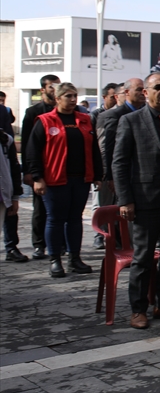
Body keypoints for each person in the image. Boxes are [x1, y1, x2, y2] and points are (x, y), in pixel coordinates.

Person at [112, 73, 160, 328]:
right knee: (143, 257)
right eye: (159, 87)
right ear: (146, 92)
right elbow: (120, 163)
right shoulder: (130, 121)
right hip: (144, 200)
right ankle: (138, 309)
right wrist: (125, 200)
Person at [24, 82, 102, 278]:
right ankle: (55, 260)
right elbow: (33, 152)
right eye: (68, 96)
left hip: (80, 179)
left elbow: (94, 150)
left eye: (74, 95)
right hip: (54, 180)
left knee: (75, 220)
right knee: (55, 220)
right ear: (57, 99)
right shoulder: (44, 121)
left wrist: (98, 175)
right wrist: (37, 178)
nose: (73, 99)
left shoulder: (85, 119)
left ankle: (74, 258)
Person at [96, 78, 145, 249]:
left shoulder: (145, 113)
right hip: (116, 174)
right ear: (127, 93)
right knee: (114, 210)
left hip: (138, 174)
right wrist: (109, 177)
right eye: (139, 89)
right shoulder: (112, 115)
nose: (142, 93)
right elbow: (107, 148)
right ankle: (114, 243)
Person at [20, 74, 60, 260]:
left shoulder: (64, 112)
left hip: (60, 170)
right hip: (41, 170)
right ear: (43, 89)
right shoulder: (33, 112)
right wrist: (29, 172)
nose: (55, 90)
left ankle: (61, 245)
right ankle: (39, 245)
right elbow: (29, 144)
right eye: (52, 87)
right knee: (40, 210)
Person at [3, 127, 25, 261]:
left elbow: (14, 168)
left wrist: (16, 195)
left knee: (10, 216)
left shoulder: (5, 139)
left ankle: (11, 248)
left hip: (5, 188)